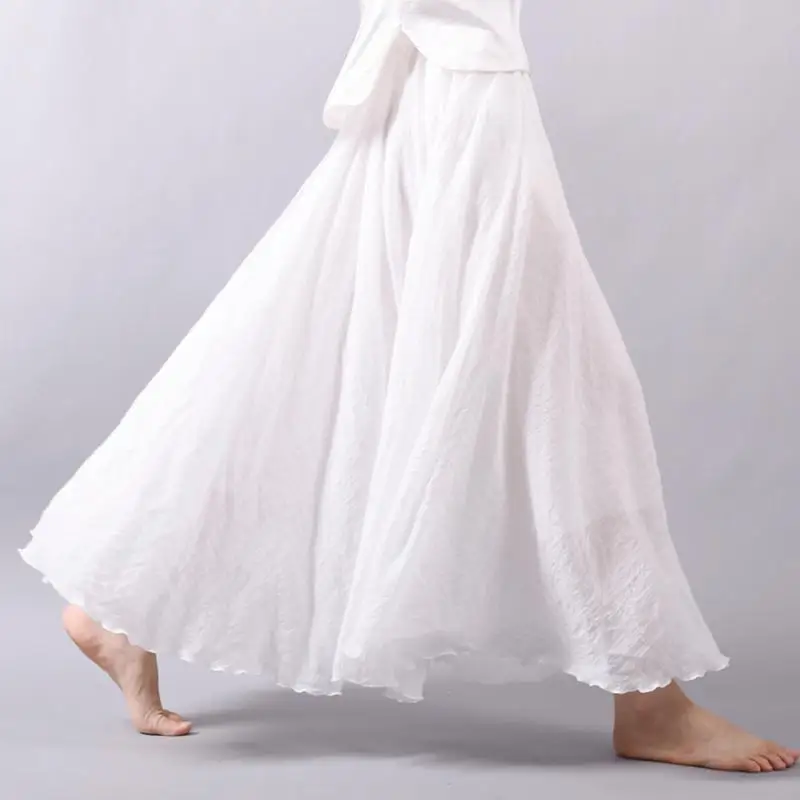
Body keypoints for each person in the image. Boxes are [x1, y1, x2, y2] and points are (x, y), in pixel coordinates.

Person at [20, 0, 797, 773]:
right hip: (460, 90)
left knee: (313, 347)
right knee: (559, 390)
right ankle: (652, 705)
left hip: (430, 80)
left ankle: (119, 597)